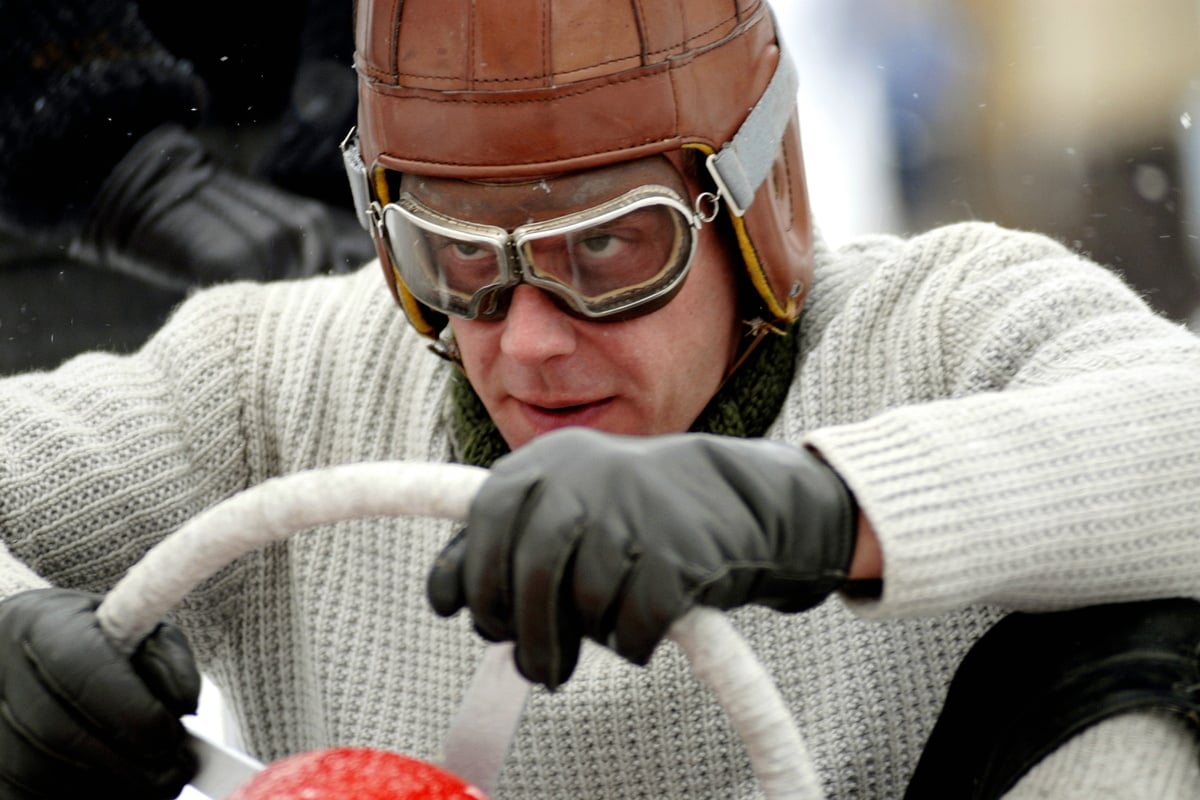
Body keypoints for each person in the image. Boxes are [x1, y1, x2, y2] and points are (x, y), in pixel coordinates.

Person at [1, 1, 1199, 798]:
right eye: (456, 256)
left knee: (1157, 643)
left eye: (610, 248)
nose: (526, 341)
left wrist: (805, 509)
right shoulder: (277, 378)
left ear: (749, 201)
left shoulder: (939, 323)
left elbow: (1174, 429)